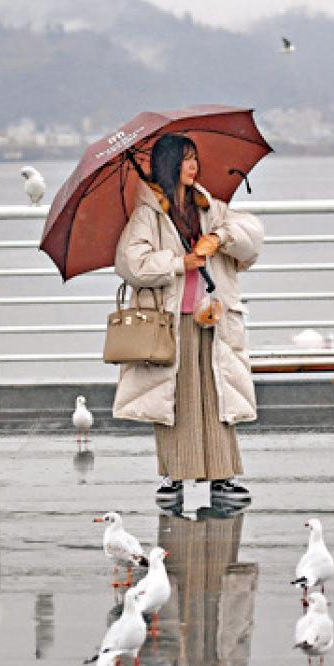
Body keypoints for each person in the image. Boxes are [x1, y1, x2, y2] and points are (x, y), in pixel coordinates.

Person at [113, 133, 264, 504]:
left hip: (212, 318)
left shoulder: (208, 206)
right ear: (168, 164)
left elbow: (252, 240)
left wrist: (221, 237)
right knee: (175, 401)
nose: (193, 165)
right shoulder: (149, 213)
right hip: (171, 321)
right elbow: (130, 263)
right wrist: (179, 263)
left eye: (195, 158)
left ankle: (222, 477)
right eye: (185, 159)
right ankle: (175, 478)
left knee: (217, 397)